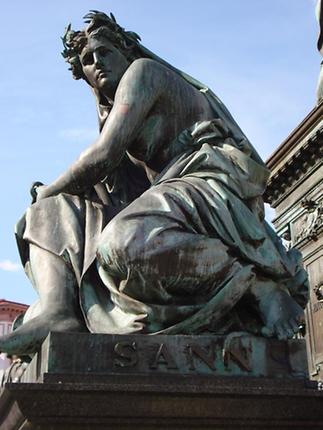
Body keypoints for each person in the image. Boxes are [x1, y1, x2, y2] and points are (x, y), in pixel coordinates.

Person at [0, 11, 308, 355]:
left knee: (120, 244)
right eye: (88, 60)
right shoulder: (112, 109)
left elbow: (103, 155)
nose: (98, 63)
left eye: (105, 51)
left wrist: (47, 189)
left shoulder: (143, 73)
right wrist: (51, 204)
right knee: (51, 211)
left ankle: (255, 285)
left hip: (208, 180)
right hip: (170, 193)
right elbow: (111, 186)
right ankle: (59, 311)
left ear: (126, 50)